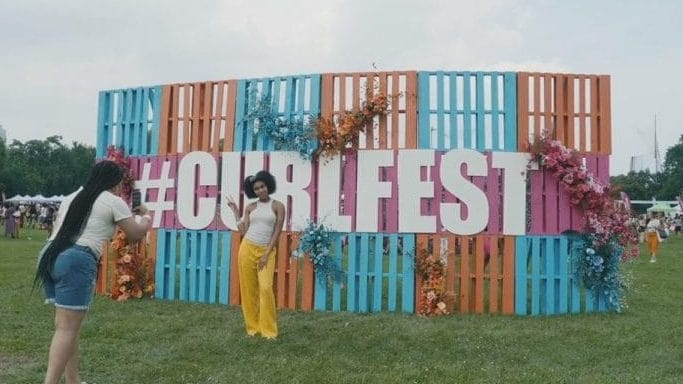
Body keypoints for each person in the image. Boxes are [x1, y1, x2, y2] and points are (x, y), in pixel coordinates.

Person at [35, 161, 152, 384]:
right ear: (116, 182)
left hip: (49, 256)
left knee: (67, 328)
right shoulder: (113, 201)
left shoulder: (72, 196)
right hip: (76, 259)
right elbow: (136, 234)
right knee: (67, 329)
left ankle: (73, 380)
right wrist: (146, 216)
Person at [227, 170, 285, 340]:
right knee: (248, 290)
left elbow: (277, 232)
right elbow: (243, 230)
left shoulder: (278, 206)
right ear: (253, 191)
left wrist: (267, 253)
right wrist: (236, 212)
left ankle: (269, 331)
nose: (260, 190)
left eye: (262, 186)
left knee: (266, 288)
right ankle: (253, 328)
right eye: (257, 189)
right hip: (247, 249)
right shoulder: (250, 207)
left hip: (266, 251)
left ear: (268, 185)